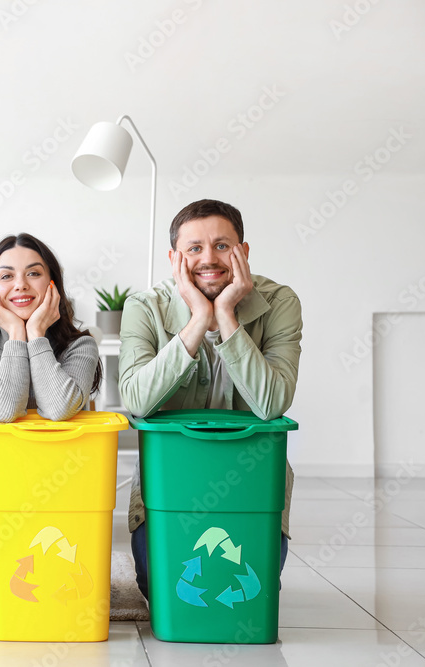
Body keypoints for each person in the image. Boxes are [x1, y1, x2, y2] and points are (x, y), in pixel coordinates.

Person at [118, 199, 303, 600]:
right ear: (174, 258)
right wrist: (199, 319)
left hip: (251, 475)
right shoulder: (144, 307)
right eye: (194, 248)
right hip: (172, 476)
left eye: (222, 246)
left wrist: (227, 315)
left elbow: (272, 402)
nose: (209, 259)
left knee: (253, 587)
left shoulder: (280, 302)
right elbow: (136, 399)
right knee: (162, 584)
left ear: (243, 252)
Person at [0, 233, 102, 606]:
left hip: (66, 491)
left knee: (65, 592)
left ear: (52, 285)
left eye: (33, 273)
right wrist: (16, 334)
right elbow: (4, 409)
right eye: (6, 276)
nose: (20, 284)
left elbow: (58, 408)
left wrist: (36, 333)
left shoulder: (81, 347)